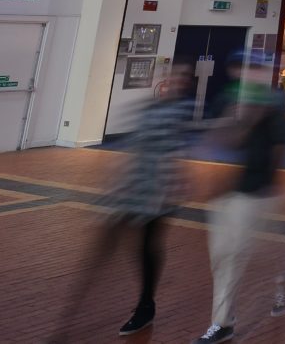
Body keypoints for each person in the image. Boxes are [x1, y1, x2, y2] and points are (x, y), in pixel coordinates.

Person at [48, 65, 196, 341]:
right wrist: (114, 186)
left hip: (157, 193)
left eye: (180, 79)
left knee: (145, 248)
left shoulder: (180, 112)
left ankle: (144, 304)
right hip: (133, 189)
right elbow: (135, 147)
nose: (173, 82)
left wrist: (171, 188)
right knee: (108, 250)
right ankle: (72, 319)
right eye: (171, 77)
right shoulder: (148, 108)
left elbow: (174, 152)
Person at [192, 50, 285, 344]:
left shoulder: (272, 104)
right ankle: (223, 322)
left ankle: (280, 283)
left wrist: (272, 183)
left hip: (255, 191)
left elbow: (280, 146)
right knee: (222, 257)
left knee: (245, 254)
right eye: (240, 68)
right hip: (224, 191)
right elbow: (217, 139)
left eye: (252, 68)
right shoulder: (226, 100)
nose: (245, 73)